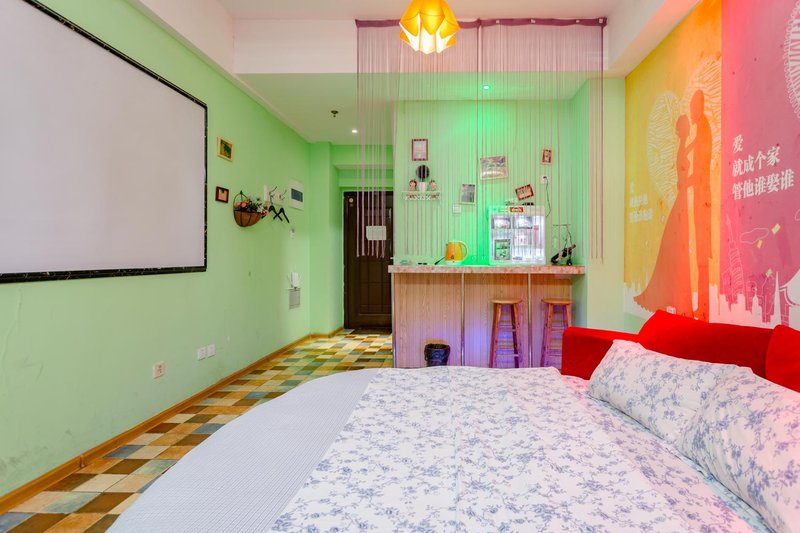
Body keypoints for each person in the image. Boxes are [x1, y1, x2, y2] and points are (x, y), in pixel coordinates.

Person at [634, 115, 694, 316]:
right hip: (682, 198)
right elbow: (682, 178)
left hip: (683, 199)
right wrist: (693, 179)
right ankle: (678, 300)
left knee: (678, 247)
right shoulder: (683, 147)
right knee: (678, 246)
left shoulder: (684, 146)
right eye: (685, 126)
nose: (687, 128)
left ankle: (679, 301)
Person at [688, 90, 712, 321]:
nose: (691, 111)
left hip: (703, 198)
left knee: (703, 258)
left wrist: (685, 182)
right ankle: (702, 306)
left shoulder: (704, 128)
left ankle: (704, 308)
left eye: (693, 106)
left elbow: (701, 168)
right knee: (700, 257)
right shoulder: (700, 130)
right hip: (698, 198)